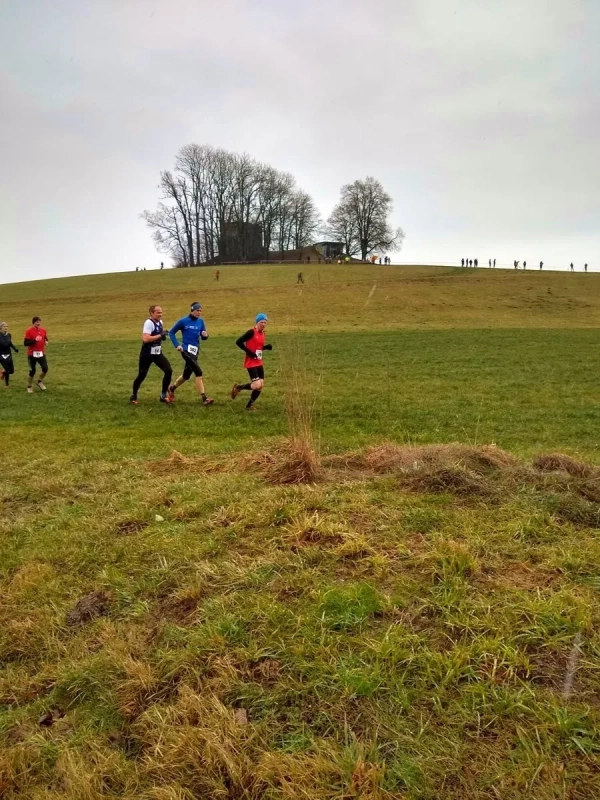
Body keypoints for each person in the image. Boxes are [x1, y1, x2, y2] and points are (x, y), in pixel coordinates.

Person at [167, 302, 213, 405]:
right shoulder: (183, 321)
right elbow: (171, 332)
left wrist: (205, 335)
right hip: (186, 351)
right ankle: (204, 398)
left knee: (186, 375)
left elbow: (204, 336)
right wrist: (177, 345)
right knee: (198, 372)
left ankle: (172, 388)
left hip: (195, 351)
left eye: (200, 311)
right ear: (192, 310)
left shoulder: (201, 322)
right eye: (197, 310)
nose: (199, 313)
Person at [130, 305, 172, 405]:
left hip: (157, 353)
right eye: (158, 312)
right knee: (142, 375)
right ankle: (134, 395)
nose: (160, 314)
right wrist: (160, 335)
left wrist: (162, 337)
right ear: (152, 313)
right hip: (147, 353)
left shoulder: (160, 322)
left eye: (161, 312)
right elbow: (146, 338)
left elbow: (158, 336)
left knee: (168, 370)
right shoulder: (148, 323)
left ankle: (163, 395)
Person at [231, 313, 272, 411]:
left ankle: (249, 405)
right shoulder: (251, 332)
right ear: (257, 322)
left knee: (260, 386)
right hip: (251, 363)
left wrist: (265, 347)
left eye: (265, 322)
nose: (263, 324)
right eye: (261, 322)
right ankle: (239, 387)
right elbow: (238, 342)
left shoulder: (263, 333)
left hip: (259, 362)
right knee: (257, 385)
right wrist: (249, 352)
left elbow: (258, 347)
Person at [24, 316, 48, 394]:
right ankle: (29, 386)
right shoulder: (29, 331)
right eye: (37, 322)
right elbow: (25, 343)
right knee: (32, 371)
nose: (39, 323)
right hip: (32, 354)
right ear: (33, 322)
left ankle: (39, 381)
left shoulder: (43, 330)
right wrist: (34, 340)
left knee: (45, 368)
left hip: (41, 353)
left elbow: (45, 338)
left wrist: (46, 341)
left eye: (39, 322)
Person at [0, 322, 18, 387]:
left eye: (6, 326)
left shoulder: (9, 335)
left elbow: (10, 343)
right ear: (1, 327)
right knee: (7, 370)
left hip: (8, 354)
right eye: (4, 326)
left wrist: (15, 348)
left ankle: (3, 372)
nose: (5, 327)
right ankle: (7, 385)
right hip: (1, 355)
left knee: (12, 371)